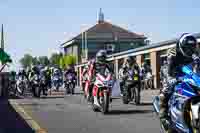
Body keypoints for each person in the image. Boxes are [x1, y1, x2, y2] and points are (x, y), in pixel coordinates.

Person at [159, 33, 199, 129]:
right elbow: (169, 71)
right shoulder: (172, 53)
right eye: (187, 48)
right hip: (171, 70)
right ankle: (163, 114)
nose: (190, 50)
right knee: (167, 88)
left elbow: (198, 64)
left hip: (186, 71)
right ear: (181, 46)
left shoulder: (195, 54)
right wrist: (172, 79)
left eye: (192, 48)